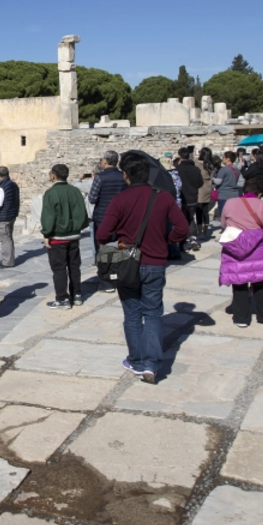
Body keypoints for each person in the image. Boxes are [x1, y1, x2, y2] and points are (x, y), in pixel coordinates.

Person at [96, 156, 190, 384]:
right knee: (154, 313)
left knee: (132, 314)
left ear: (126, 175)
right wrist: (167, 239)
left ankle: (136, 360)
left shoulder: (120, 199)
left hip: (128, 262)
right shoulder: (163, 197)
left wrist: (120, 239)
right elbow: (183, 227)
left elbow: (101, 235)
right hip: (155, 262)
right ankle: (151, 364)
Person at [218, 177, 263, 327]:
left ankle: (241, 318)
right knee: (261, 283)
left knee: (239, 282)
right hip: (257, 249)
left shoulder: (230, 203)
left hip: (235, 247)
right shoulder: (261, 205)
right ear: (260, 193)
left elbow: (223, 223)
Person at [41, 163, 90, 308]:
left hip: (57, 237)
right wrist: (77, 227)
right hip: (74, 236)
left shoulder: (51, 193)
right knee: (74, 266)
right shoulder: (75, 191)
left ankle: (62, 298)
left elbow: (48, 217)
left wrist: (46, 234)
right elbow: (82, 214)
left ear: (53, 175)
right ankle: (77, 295)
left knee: (59, 268)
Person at [88, 151, 126, 291]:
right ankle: (117, 276)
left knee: (103, 249)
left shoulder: (100, 177)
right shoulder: (123, 175)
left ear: (105, 161)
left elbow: (92, 198)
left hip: (102, 217)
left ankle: (106, 281)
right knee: (119, 247)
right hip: (121, 217)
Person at [0, 166, 20, 269]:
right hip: (12, 215)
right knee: (9, 237)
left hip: (4, 217)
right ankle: (8, 259)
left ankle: (7, 262)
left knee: (5, 239)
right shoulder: (14, 185)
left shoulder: (1, 188)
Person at [174, 147, 204, 251]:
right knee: (191, 218)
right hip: (193, 197)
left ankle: (183, 242)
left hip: (182, 198)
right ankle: (193, 238)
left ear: (180, 156)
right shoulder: (196, 169)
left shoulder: (177, 169)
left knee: (181, 220)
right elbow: (201, 183)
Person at [211, 151, 242, 218]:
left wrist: (213, 179)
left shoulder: (224, 169)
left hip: (224, 195)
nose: (222, 159)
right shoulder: (236, 169)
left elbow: (218, 182)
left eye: (224, 157)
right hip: (234, 194)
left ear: (228, 159)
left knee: (224, 217)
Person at [195, 147, 216, 240]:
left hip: (200, 187)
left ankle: (199, 231)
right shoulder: (210, 164)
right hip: (208, 186)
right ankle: (206, 230)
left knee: (199, 210)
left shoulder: (198, 164)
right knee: (205, 210)